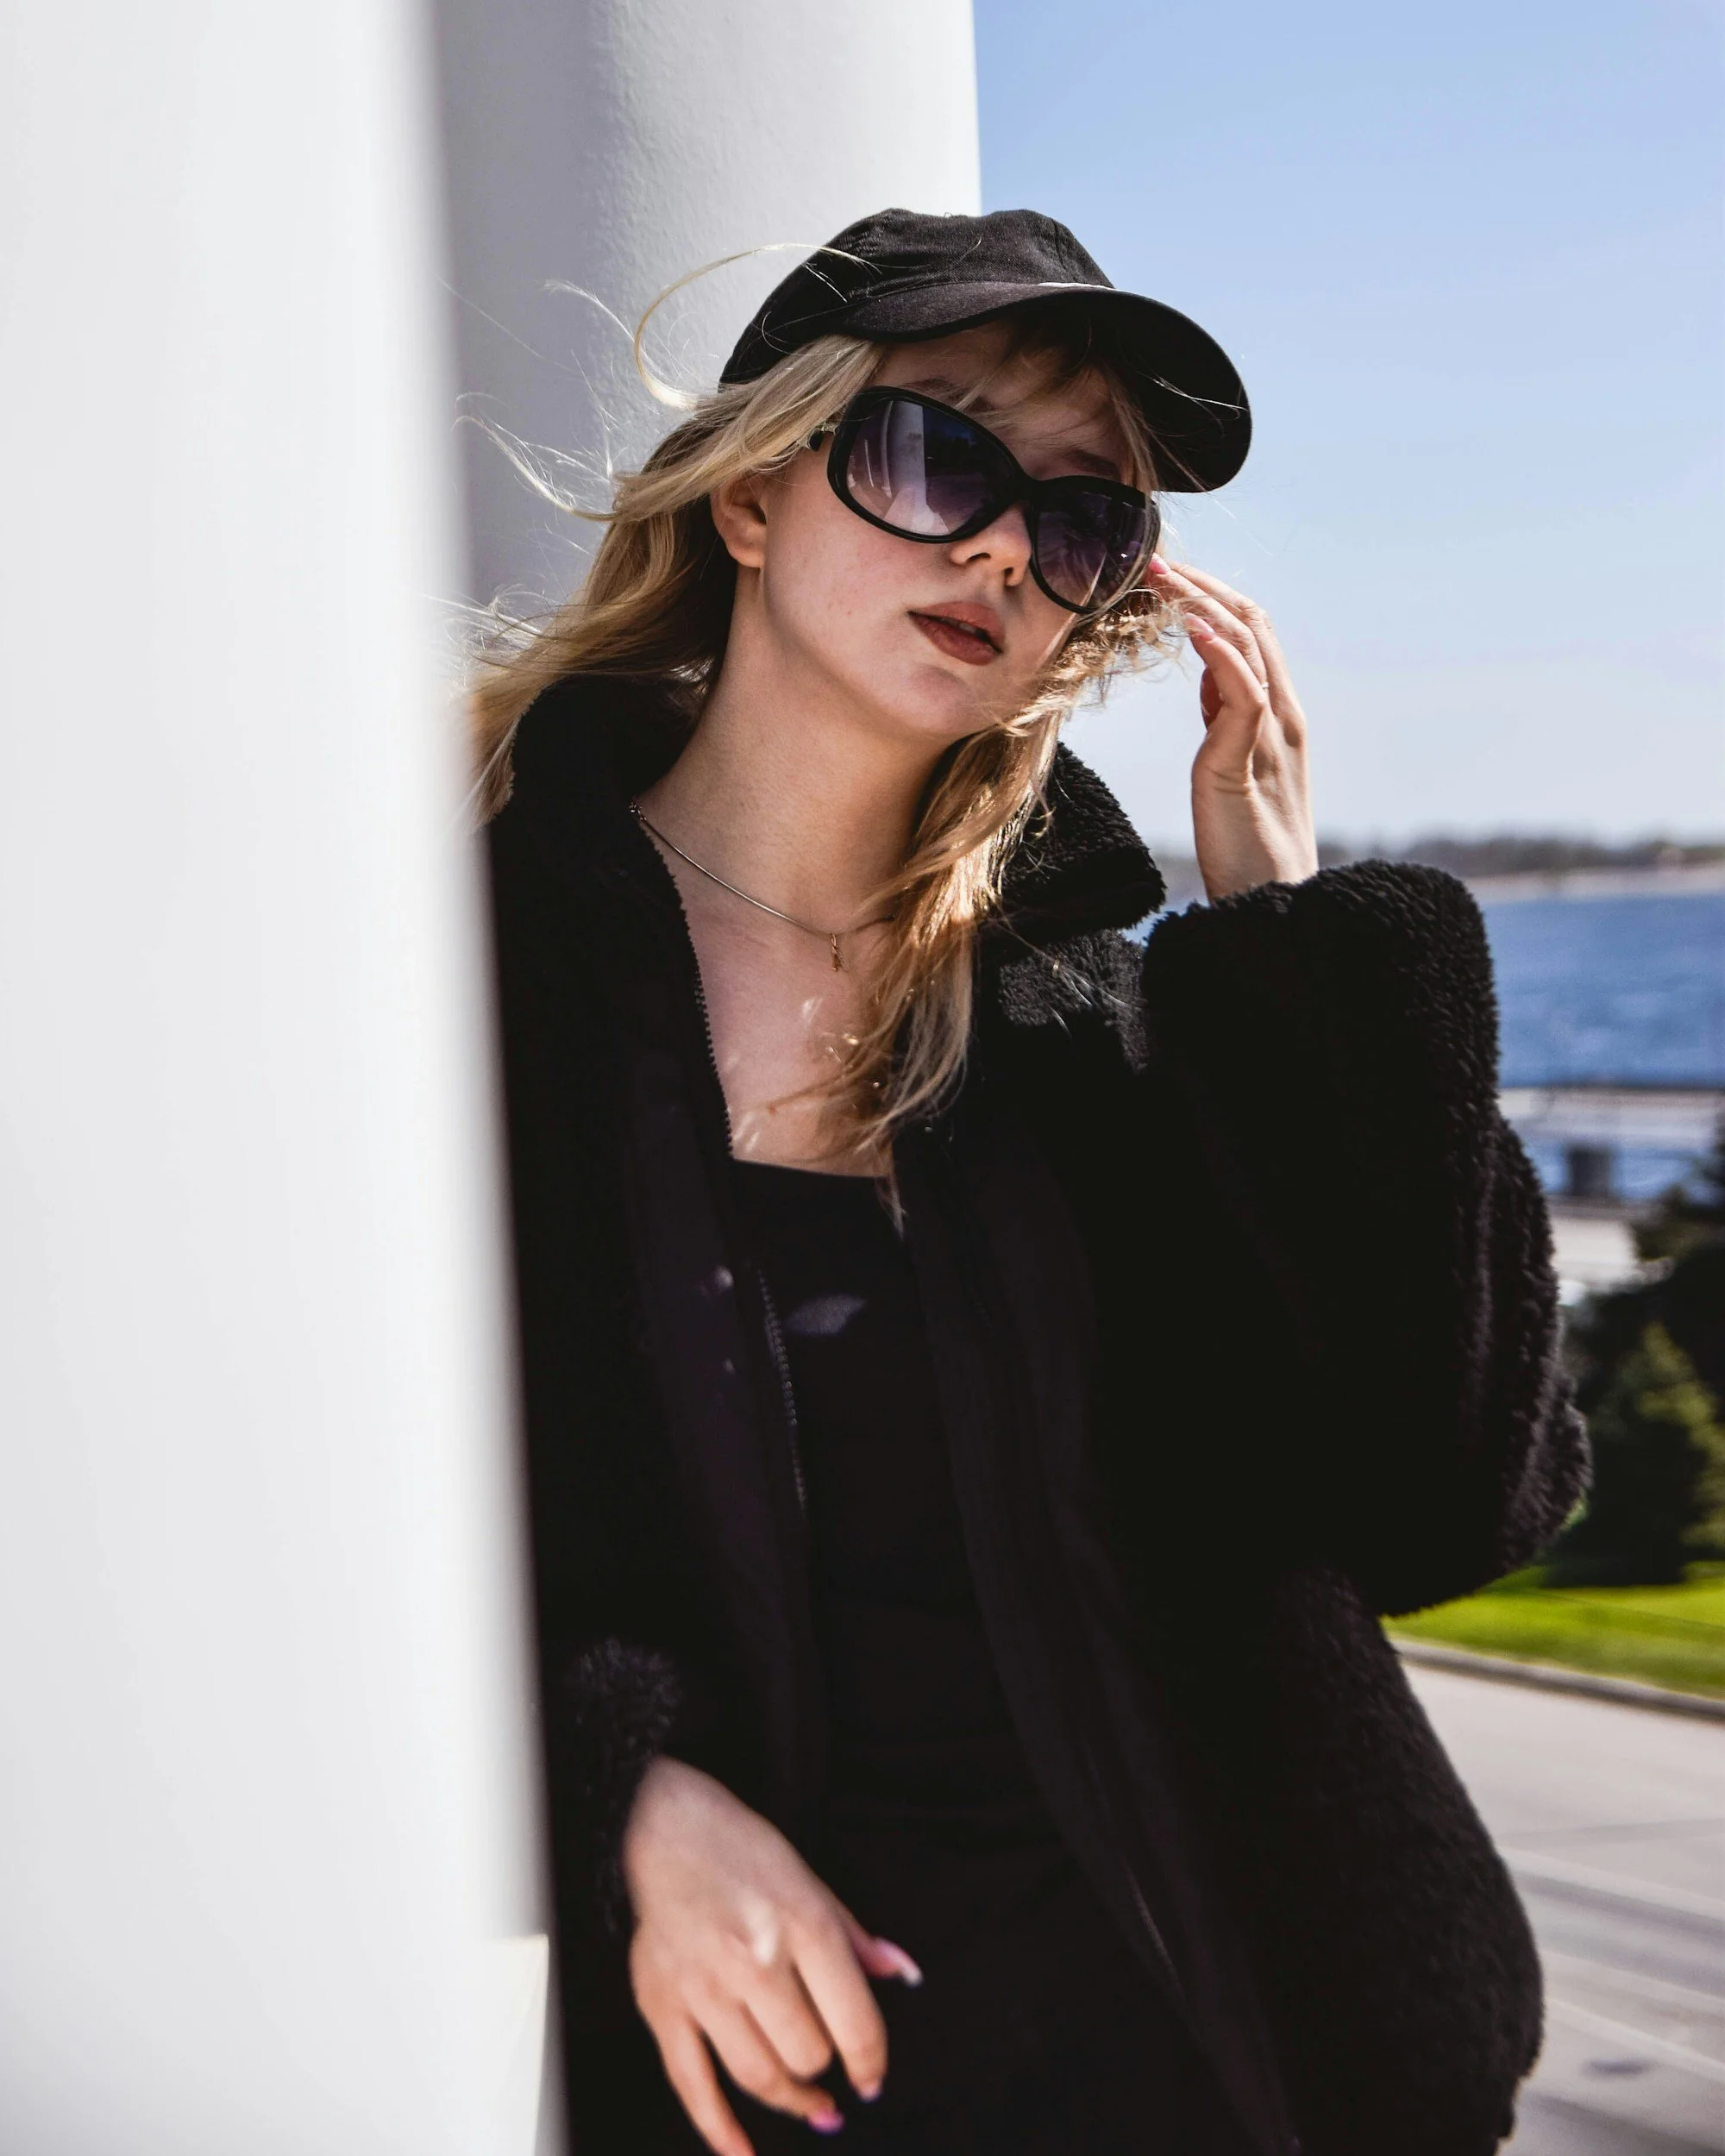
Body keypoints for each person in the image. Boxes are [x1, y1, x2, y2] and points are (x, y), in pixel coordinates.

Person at [476, 208, 1586, 2156]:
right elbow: (343, 1512)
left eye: (1081, 520)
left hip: (1248, 2065)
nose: (1001, 544)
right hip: (814, 2088)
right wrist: (620, 1789)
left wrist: (1299, 951)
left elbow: (1448, 1491)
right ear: (751, 492)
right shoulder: (485, 977)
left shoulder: (1097, 1024)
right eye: (936, 453)